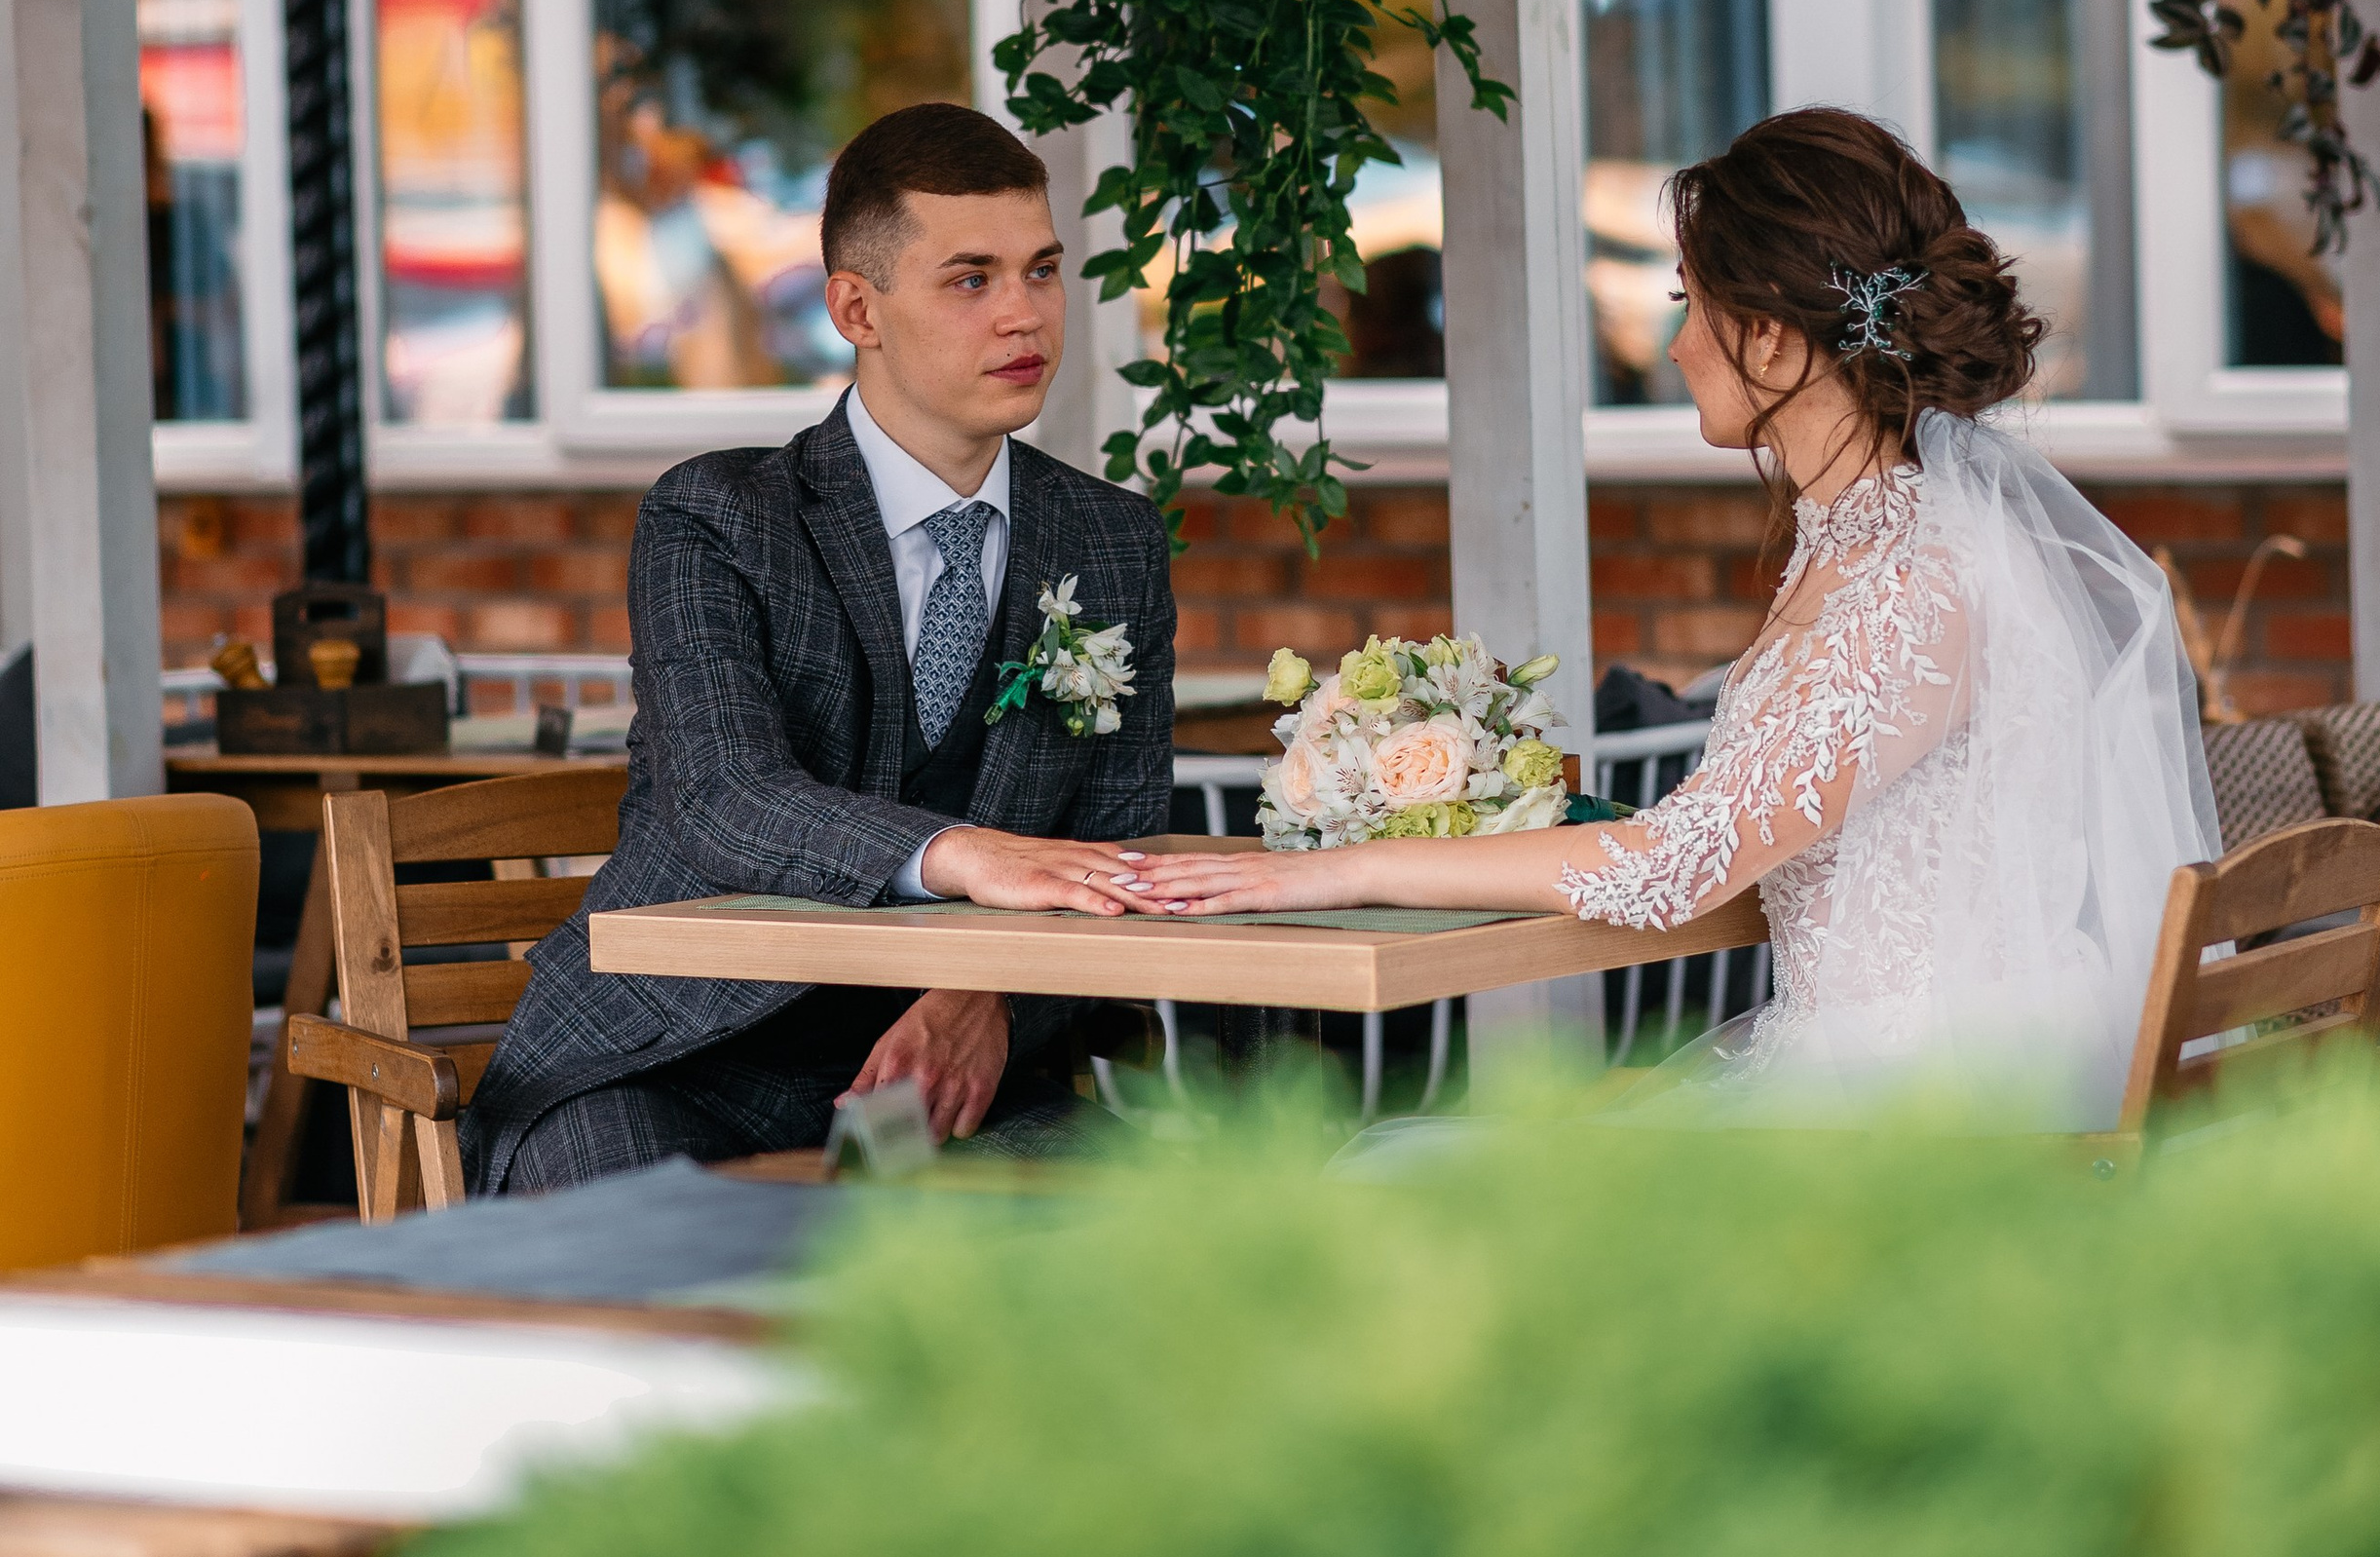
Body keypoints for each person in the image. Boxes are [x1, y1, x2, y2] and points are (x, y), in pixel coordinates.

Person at [1122, 110, 2215, 1124]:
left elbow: (1674, 866)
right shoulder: (1866, 541)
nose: (1677, 341)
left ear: (1775, 341)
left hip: (1910, 1106)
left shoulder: (1913, 581)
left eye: (1688, 303)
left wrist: (1334, 870)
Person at [464, 105, 1173, 1192]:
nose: (1025, 315)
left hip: (935, 1080)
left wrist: (989, 995)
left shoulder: (1113, 543)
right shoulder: (715, 516)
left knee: (1165, 1227)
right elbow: (722, 796)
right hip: (671, 1059)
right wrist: (963, 853)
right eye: (971, 279)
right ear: (856, 306)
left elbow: (1124, 851)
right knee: (652, 1272)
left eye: (1041, 270)